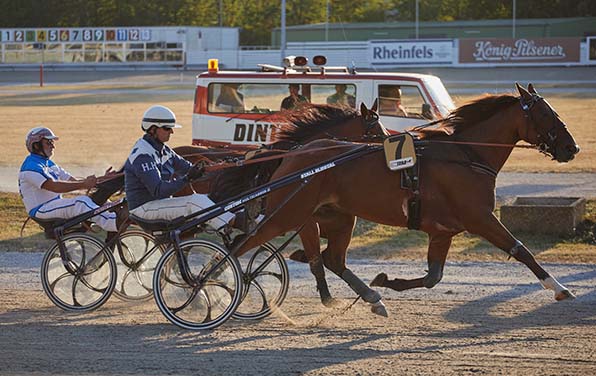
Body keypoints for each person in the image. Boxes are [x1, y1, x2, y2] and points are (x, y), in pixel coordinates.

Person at [124, 105, 248, 232]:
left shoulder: (163, 149)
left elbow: (187, 168)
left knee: (207, 199)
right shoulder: (143, 155)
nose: (171, 132)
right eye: (167, 128)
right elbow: (159, 190)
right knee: (194, 202)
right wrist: (187, 179)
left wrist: (222, 167)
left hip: (158, 203)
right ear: (152, 129)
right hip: (144, 208)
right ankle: (233, 223)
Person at [18, 127, 118, 233]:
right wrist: (84, 184)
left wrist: (102, 179)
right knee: (81, 203)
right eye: (49, 142)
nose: (53, 146)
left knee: (100, 200)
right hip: (41, 210)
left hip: (53, 205)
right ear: (36, 145)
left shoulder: (49, 164)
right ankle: (113, 223)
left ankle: (114, 220)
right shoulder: (31, 167)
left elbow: (73, 181)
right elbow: (54, 187)